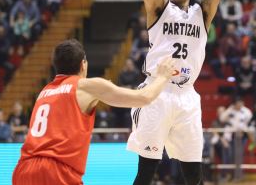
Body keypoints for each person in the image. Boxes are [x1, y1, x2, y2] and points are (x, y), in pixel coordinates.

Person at [127, 0, 223, 185]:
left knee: (194, 174)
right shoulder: (159, 9)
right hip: (157, 92)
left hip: (187, 96)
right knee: (146, 170)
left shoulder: (202, 13)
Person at [12, 39, 175, 185]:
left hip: (23, 169)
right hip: (56, 171)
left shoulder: (44, 92)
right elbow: (143, 98)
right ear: (83, 64)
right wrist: (162, 76)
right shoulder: (85, 86)